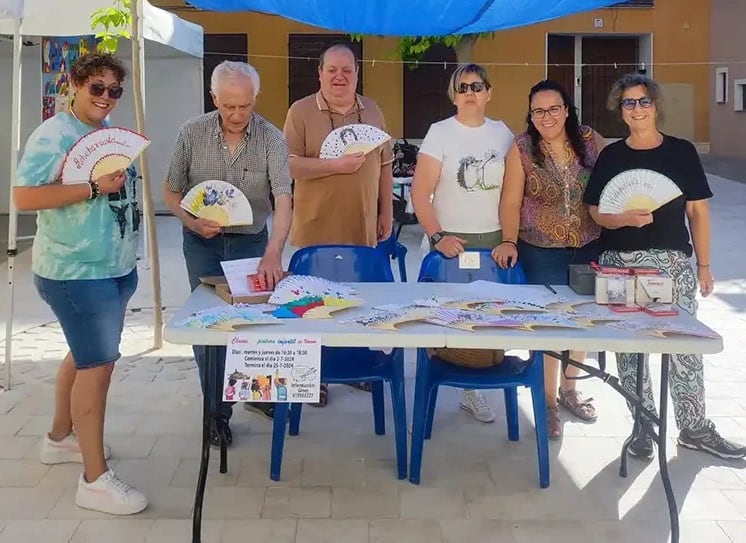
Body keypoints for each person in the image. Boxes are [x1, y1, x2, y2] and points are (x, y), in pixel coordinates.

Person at [583, 73, 746, 460]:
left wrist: (704, 266)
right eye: (628, 103)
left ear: (656, 106)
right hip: (618, 265)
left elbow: (698, 212)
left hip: (671, 263)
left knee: (684, 347)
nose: (636, 109)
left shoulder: (681, 152)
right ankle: (643, 425)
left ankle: (693, 427)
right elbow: (595, 211)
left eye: (643, 101)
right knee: (628, 350)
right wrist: (622, 219)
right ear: (619, 110)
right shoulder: (611, 156)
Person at [13, 52, 147, 515]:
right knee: (98, 366)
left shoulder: (104, 133)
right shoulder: (54, 134)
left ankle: (59, 438)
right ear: (74, 83)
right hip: (76, 271)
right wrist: (90, 187)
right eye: (98, 88)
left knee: (84, 352)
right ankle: (94, 481)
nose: (106, 98)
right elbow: (24, 195)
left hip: (113, 267)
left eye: (114, 91)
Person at [164, 61, 293, 447]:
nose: (237, 115)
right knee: (208, 330)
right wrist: (191, 221)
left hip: (251, 244)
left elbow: (283, 200)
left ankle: (256, 393)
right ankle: (215, 415)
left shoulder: (272, 138)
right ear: (214, 97)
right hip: (201, 244)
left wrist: (274, 254)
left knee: (253, 325)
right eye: (229, 106)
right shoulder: (191, 133)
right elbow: (170, 191)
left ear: (255, 99)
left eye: (245, 106)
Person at [493, 79, 606, 439]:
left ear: (567, 110)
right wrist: (508, 240)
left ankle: (569, 390)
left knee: (582, 322)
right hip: (540, 250)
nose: (547, 116)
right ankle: (547, 402)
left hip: (589, 244)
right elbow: (511, 200)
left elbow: (613, 184)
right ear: (530, 114)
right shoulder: (522, 147)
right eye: (539, 110)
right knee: (550, 326)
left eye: (554, 108)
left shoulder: (590, 141)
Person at [283, 43, 394, 406]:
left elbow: (385, 165)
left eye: (347, 69)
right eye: (332, 69)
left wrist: (386, 212)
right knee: (315, 303)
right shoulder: (300, 111)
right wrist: (334, 165)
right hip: (315, 227)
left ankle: (358, 365)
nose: (339, 76)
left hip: (362, 225)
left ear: (357, 73)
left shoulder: (373, 110)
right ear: (320, 73)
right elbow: (289, 165)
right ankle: (314, 375)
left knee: (356, 300)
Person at [411, 63, 515, 423]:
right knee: (447, 323)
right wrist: (437, 236)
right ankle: (446, 385)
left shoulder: (504, 134)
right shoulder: (439, 133)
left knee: (488, 323)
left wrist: (510, 239)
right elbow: (420, 193)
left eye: (477, 86)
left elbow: (512, 196)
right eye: (462, 87)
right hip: (449, 245)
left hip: (493, 242)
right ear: (454, 95)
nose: (470, 92)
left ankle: (477, 387)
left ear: (489, 92)